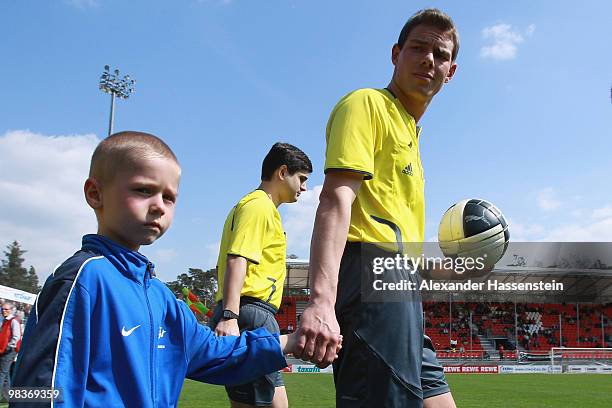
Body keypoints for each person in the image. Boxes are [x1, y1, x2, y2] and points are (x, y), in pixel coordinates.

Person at [10, 132, 311, 407]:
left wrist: (291, 341)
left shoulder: (160, 296)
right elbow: (34, 390)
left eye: (169, 197)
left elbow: (216, 354)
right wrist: (232, 314)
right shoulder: (82, 279)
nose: (159, 206)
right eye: (143, 190)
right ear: (95, 194)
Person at [295, 8, 459, 407]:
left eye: (440, 55)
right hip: (373, 275)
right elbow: (336, 199)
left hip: (402, 286)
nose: (428, 60)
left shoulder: (410, 131)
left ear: (450, 71)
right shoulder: (366, 104)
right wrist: (320, 301)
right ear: (395, 54)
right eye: (418, 48)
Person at [210, 142, 313, 408]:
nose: (304, 188)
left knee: (276, 404)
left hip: (254, 313)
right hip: (250, 313)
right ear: (282, 172)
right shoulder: (259, 207)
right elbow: (238, 257)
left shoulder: (256, 207)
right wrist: (230, 316)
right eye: (301, 179)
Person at [0, 302, 21, 401]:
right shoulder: (5, 320)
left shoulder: (13, 321)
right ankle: (7, 397)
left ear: (11, 310)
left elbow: (16, 336)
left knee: (2, 373)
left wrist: (8, 347)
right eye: (2, 309)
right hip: (4, 350)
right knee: (6, 373)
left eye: (6, 309)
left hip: (9, 350)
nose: (3, 311)